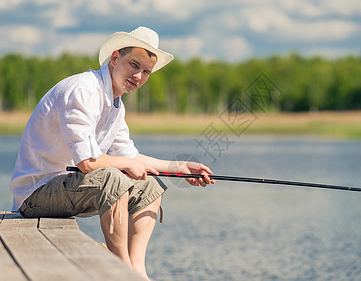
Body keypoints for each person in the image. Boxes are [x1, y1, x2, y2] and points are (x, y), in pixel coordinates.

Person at [10, 26, 214, 280]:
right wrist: (125, 165)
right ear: (115, 58)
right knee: (112, 177)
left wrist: (179, 167)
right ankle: (121, 270)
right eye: (134, 65)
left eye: (146, 71)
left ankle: (137, 269)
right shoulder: (84, 90)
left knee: (149, 185)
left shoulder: (116, 105)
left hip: (67, 192)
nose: (138, 76)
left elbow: (131, 156)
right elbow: (86, 162)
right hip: (36, 196)